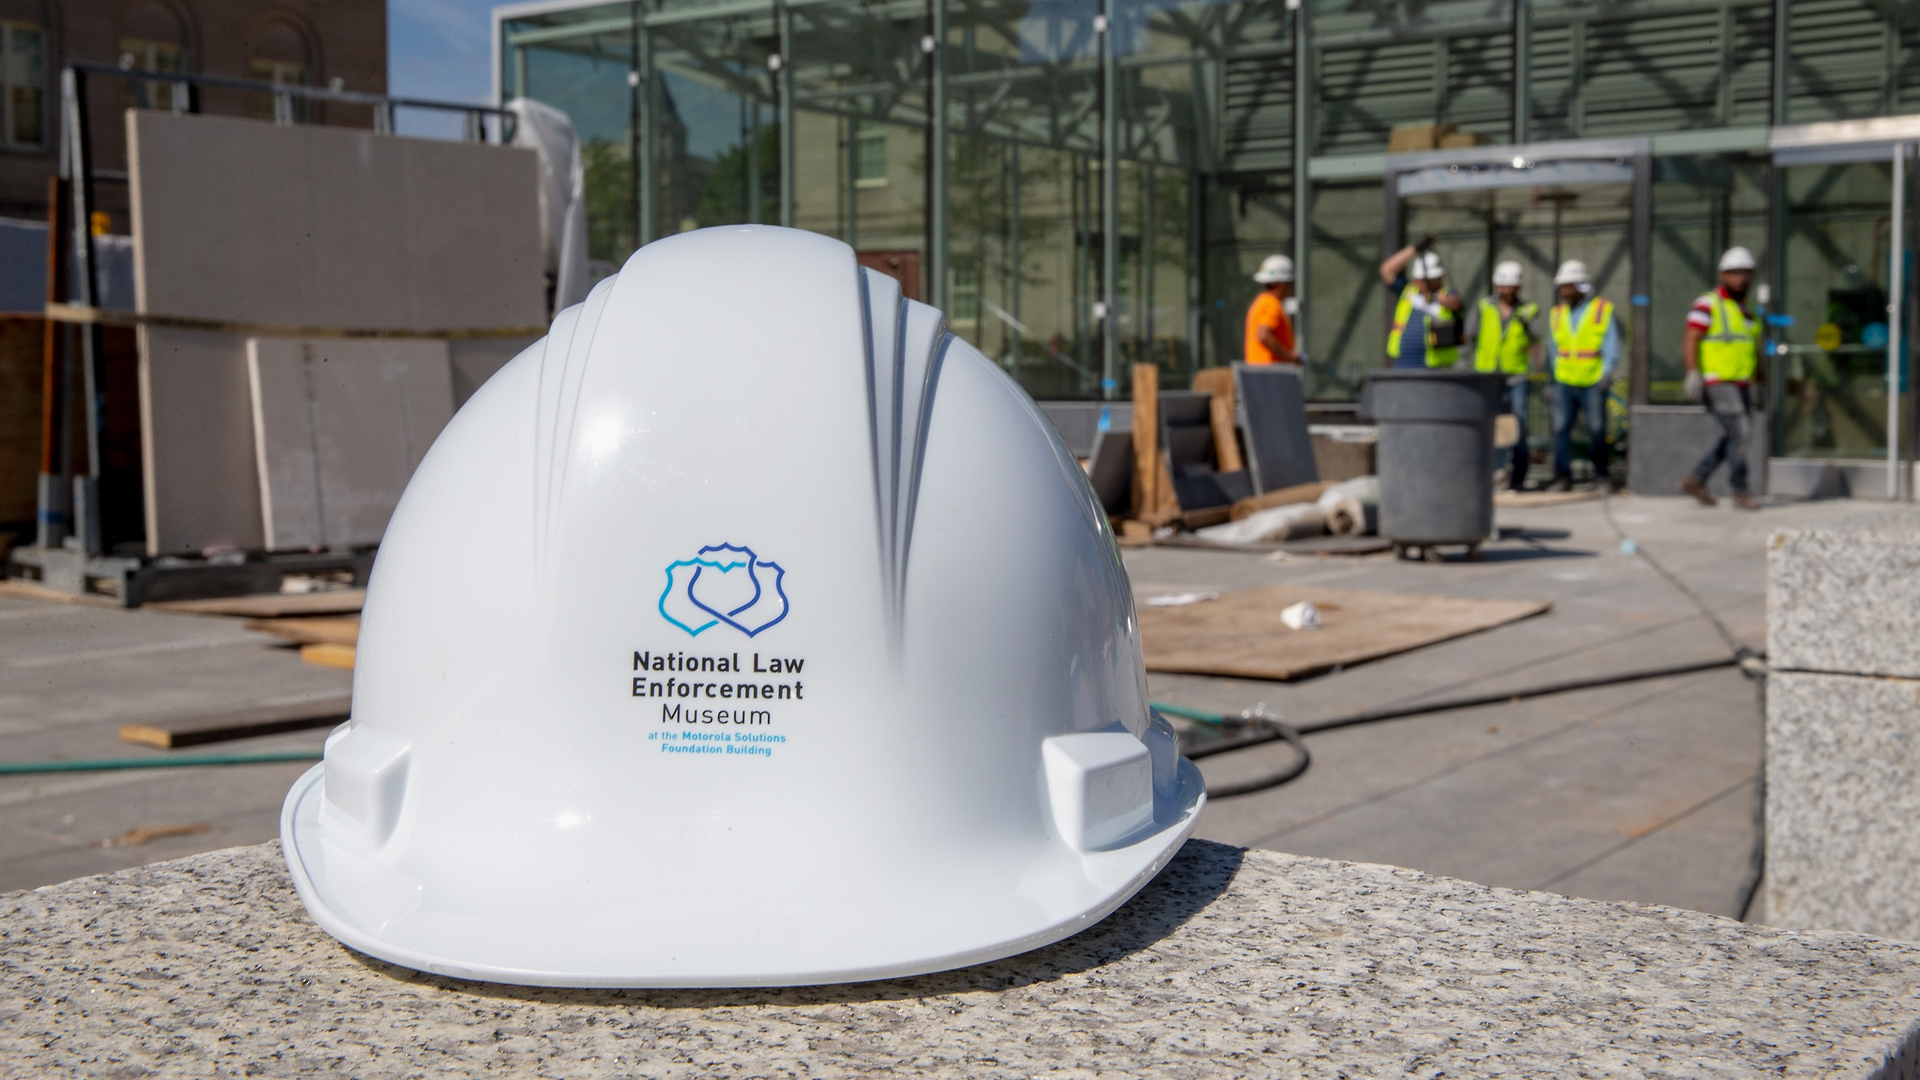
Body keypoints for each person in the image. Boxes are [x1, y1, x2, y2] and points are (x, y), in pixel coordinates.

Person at [1679, 247, 1763, 510]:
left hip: (1742, 382)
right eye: (1733, 273)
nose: (1740, 278)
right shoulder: (1707, 304)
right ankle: (1741, 491)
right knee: (1741, 432)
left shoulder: (1747, 310)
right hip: (1717, 381)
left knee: (1736, 435)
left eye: (1745, 273)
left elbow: (1751, 346)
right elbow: (1691, 338)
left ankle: (1697, 478)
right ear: (1722, 275)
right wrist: (1693, 372)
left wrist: (1760, 375)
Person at [1544, 259, 1620, 491]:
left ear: (1581, 286)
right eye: (1562, 287)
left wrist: (1607, 373)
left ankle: (1600, 476)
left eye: (1569, 286)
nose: (1565, 291)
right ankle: (1562, 477)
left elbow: (1611, 344)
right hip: (1564, 381)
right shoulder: (1557, 313)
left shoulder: (1601, 309)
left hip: (1593, 381)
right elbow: (1552, 349)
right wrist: (1551, 381)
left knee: (1597, 429)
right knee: (1560, 430)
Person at [1465, 260, 1540, 490]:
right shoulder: (1483, 307)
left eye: (1512, 286)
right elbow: (1469, 335)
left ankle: (1518, 476)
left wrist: (1527, 324)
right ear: (1496, 285)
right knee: (1488, 423)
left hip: (1515, 375)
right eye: (1504, 286)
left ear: (1519, 287)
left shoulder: (1529, 310)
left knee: (1518, 423)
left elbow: (1537, 338)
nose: (1508, 291)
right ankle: (1489, 471)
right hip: (1487, 376)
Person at [1379, 240, 1463, 368]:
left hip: (1433, 367)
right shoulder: (1408, 292)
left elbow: (1455, 303)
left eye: (1426, 280)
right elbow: (1386, 270)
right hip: (1402, 364)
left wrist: (1436, 300)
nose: (1420, 283)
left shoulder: (1446, 294)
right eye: (1419, 280)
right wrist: (1414, 249)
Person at [1244, 255, 1299, 366]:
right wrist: (1289, 356)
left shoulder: (1261, 302)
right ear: (1283, 285)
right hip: (1270, 372)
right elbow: (1263, 335)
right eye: (1291, 283)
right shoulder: (1271, 304)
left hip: (1262, 371)